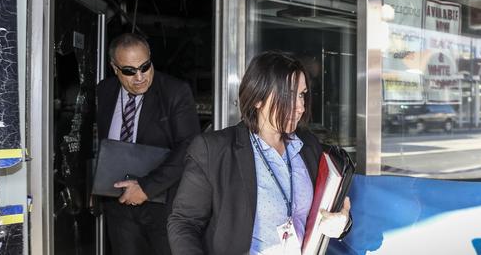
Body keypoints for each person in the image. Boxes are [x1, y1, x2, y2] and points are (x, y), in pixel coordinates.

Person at [167, 51, 351, 255]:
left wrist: (342, 223)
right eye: (288, 95)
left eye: (302, 94)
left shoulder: (307, 146)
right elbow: (184, 223)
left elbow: (327, 211)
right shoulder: (214, 150)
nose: (300, 107)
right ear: (257, 99)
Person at [96, 33, 200, 255]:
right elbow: (97, 141)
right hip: (117, 205)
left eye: (145, 66)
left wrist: (146, 187)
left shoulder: (174, 92)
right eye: (129, 71)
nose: (140, 77)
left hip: (162, 205)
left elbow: (189, 146)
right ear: (115, 68)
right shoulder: (104, 91)